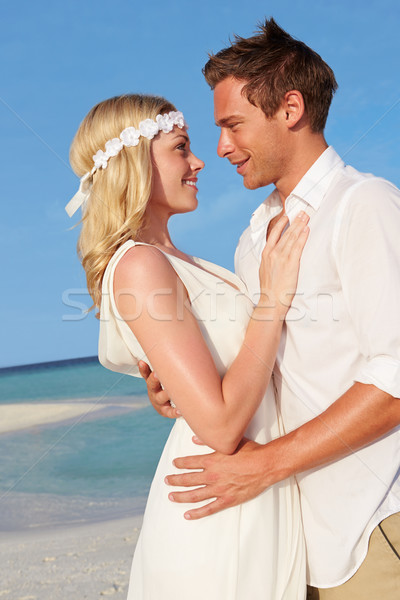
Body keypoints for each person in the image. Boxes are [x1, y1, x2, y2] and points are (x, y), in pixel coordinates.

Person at [141, 18, 400, 600]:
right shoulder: (253, 238)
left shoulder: (366, 207)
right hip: (291, 542)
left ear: (289, 108)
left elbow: (396, 378)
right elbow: (268, 369)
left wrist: (264, 466)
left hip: (371, 526)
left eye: (233, 125)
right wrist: (188, 384)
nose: (221, 148)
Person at [66, 93, 310, 599]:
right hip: (221, 508)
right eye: (181, 147)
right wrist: (272, 300)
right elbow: (220, 427)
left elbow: (209, 378)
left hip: (250, 493)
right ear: (135, 163)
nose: (199, 161)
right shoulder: (139, 265)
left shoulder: (177, 260)